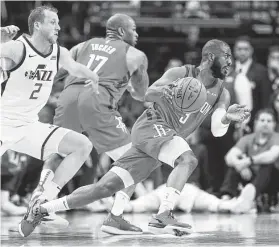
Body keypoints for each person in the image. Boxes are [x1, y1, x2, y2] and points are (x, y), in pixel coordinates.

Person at [21, 39, 250, 237]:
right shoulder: (181, 73)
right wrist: (167, 91)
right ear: (210, 57)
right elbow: (147, 94)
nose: (230, 62)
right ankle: (163, 216)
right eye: (226, 56)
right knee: (187, 160)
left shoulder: (222, 92)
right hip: (153, 126)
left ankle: (42, 209)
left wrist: (227, 118)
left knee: (103, 188)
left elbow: (217, 129)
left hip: (164, 140)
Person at [41, 13, 149, 235]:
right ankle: (115, 217)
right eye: (134, 29)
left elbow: (54, 74)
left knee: (61, 152)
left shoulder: (82, 46)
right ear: (121, 31)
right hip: (97, 98)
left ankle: (41, 201)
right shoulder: (135, 55)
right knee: (136, 161)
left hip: (69, 95)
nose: (136, 34)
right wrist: (129, 85)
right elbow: (140, 94)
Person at [0, 5, 100, 237]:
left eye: (57, 22)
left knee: (82, 145)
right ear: (37, 25)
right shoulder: (17, 47)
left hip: (28, 125)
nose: (58, 26)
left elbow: (74, 67)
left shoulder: (59, 52)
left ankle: (41, 203)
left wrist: (93, 76)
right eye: (52, 22)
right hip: (3, 122)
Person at [219, 108, 279, 214]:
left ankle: (249, 195)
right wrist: (240, 165)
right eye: (262, 120)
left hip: (272, 181)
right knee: (235, 164)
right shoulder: (247, 138)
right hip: (250, 177)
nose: (265, 124)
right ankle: (226, 198)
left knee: (267, 165)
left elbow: (272, 156)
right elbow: (229, 157)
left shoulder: (276, 138)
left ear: (274, 124)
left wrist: (249, 161)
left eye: (269, 121)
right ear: (255, 122)